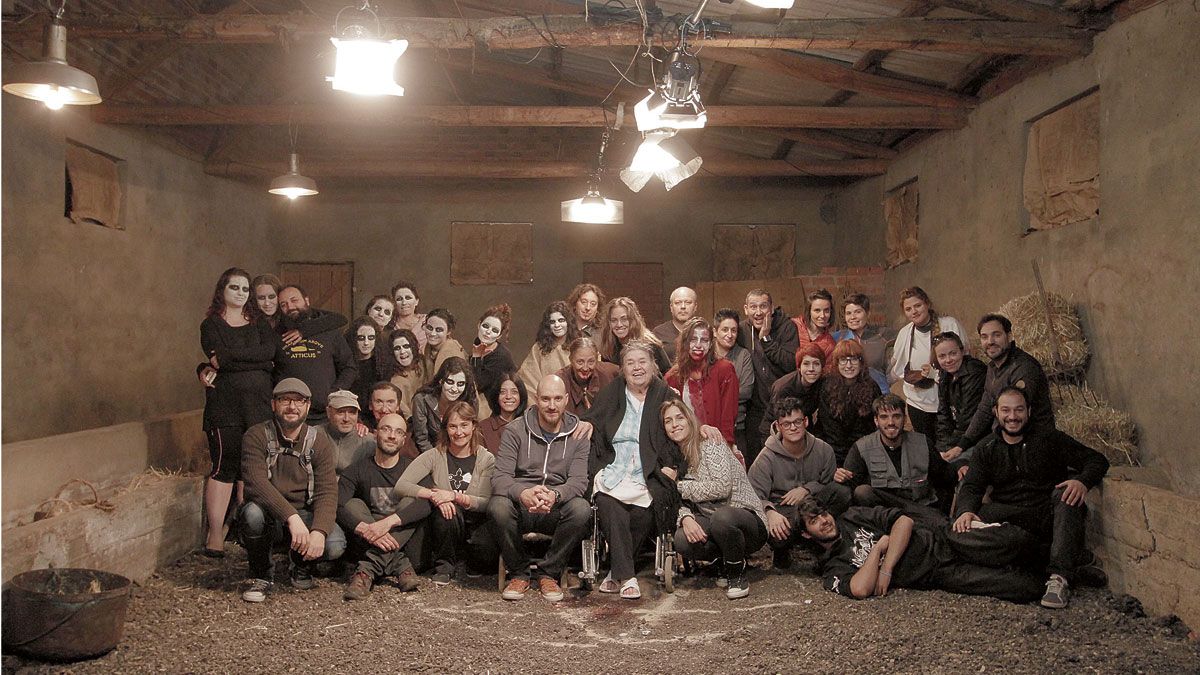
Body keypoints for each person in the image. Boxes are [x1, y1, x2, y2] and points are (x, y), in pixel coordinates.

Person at [952, 387, 1109, 609]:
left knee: (1067, 495)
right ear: (996, 412)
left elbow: (1096, 460)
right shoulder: (986, 448)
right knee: (975, 519)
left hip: (1047, 515)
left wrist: (1082, 481)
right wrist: (966, 511)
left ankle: (1059, 579)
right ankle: (1068, 560)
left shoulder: (1050, 438)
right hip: (1010, 519)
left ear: (1029, 411)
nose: (1012, 417)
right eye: (1006, 410)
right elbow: (972, 487)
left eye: (1019, 410)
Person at [583, 340, 684, 600]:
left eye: (642, 362)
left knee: (645, 512)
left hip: (647, 470)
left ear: (653, 365)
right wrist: (588, 426)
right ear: (622, 369)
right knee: (607, 503)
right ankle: (628, 577)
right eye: (630, 363)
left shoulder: (665, 394)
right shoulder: (612, 391)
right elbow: (593, 418)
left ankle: (616, 573)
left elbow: (679, 432)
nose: (637, 368)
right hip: (614, 467)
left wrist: (671, 466)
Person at [798, 497, 1043, 602]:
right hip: (935, 574)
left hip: (941, 540)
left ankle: (1060, 565)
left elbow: (904, 521)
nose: (824, 521)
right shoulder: (832, 567)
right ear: (807, 534)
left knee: (1014, 542)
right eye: (814, 520)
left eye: (823, 513)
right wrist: (878, 548)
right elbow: (860, 588)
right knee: (1024, 587)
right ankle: (1060, 577)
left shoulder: (853, 516)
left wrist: (887, 568)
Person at [238, 378, 347, 603]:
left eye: (299, 401)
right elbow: (256, 483)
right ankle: (261, 574)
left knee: (334, 544)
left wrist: (319, 531)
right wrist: (291, 517)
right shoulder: (256, 435)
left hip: (303, 511)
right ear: (273, 404)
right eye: (285, 400)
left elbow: (327, 491)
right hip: (269, 511)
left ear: (308, 406)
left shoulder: (318, 441)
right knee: (251, 515)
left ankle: (300, 564)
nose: (292, 406)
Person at [489, 374, 591, 603]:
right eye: (545, 399)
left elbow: (578, 481)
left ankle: (549, 573)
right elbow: (500, 478)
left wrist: (555, 495)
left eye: (557, 399)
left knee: (582, 509)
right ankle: (519, 572)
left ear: (566, 400)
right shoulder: (515, 430)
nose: (552, 406)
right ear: (536, 399)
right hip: (522, 505)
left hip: (555, 506)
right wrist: (523, 493)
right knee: (498, 506)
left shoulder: (578, 434)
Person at [198, 267, 275, 556]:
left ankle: (245, 528)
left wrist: (230, 358)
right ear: (222, 291)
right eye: (235, 288)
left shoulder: (259, 324)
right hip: (225, 407)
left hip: (257, 407)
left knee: (251, 468)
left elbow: (269, 353)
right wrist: (253, 362)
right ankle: (215, 533)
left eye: (245, 289)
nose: (241, 294)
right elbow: (219, 359)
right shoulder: (211, 325)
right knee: (224, 467)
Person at [664, 401, 767, 600]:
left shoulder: (710, 442)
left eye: (679, 418)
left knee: (722, 517)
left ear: (690, 420)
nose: (674, 424)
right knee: (682, 539)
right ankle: (722, 559)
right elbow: (676, 500)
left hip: (745, 519)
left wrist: (678, 484)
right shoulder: (674, 456)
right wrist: (686, 518)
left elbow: (721, 487)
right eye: (668, 421)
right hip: (711, 520)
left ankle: (736, 572)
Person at [395, 401, 498, 586]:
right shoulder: (435, 455)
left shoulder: (486, 459)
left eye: (464, 425)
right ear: (445, 428)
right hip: (447, 522)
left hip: (477, 522)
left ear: (474, 426)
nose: (459, 432)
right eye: (453, 426)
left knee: (483, 562)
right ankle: (445, 566)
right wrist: (434, 495)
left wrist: (454, 496)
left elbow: (485, 502)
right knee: (446, 512)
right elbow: (401, 485)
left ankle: (468, 559)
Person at [747, 396, 851, 570]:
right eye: (787, 424)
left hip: (816, 504)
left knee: (842, 492)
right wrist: (769, 512)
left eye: (797, 421)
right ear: (778, 426)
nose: (793, 427)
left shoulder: (824, 450)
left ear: (806, 421)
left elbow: (828, 483)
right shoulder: (766, 458)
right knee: (779, 532)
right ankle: (782, 553)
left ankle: (830, 547)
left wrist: (806, 489)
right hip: (784, 510)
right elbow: (753, 495)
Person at [338, 412, 429, 599]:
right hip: (368, 539)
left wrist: (388, 524)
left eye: (398, 432)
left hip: (407, 543)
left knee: (412, 500)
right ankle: (400, 565)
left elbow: (428, 503)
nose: (391, 435)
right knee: (352, 503)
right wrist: (366, 529)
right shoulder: (357, 469)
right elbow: (336, 505)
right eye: (386, 429)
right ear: (376, 433)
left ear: (404, 439)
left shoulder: (414, 469)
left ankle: (367, 570)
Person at [952, 314, 1056, 458]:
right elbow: (985, 409)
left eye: (996, 335)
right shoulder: (993, 367)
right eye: (984, 337)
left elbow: (1013, 418)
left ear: (1009, 336)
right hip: (1003, 440)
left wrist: (982, 450)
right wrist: (962, 444)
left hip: (1029, 445)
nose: (990, 341)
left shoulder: (1024, 368)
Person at [837, 394, 943, 522]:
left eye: (896, 416)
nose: (891, 422)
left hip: (920, 508)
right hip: (884, 515)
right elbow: (850, 486)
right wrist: (840, 476)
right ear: (876, 421)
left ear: (905, 418)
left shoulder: (923, 443)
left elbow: (944, 478)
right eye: (884, 417)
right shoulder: (861, 448)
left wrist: (960, 466)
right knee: (862, 492)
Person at [887, 286, 966, 452]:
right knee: (927, 449)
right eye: (908, 309)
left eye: (918, 306)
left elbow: (964, 359)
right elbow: (897, 367)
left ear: (927, 303)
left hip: (947, 399)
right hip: (918, 403)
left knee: (949, 447)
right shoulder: (905, 333)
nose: (914, 312)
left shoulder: (948, 325)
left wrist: (935, 374)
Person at [275, 284, 357, 423]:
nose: (290, 307)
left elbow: (349, 368)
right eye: (283, 304)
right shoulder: (277, 335)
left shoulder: (329, 332)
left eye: (294, 300)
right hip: (290, 415)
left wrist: (334, 393)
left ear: (307, 301)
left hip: (325, 415)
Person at [737, 289, 799, 468]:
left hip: (782, 403)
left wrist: (766, 338)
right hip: (754, 406)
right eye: (753, 307)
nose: (758, 312)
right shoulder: (741, 330)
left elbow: (789, 363)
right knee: (756, 459)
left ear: (771, 308)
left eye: (763, 306)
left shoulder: (787, 327)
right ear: (746, 309)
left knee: (784, 459)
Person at [664, 317, 739, 450]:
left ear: (710, 344)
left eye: (704, 340)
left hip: (717, 445)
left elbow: (728, 415)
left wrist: (727, 446)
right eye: (693, 339)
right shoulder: (673, 376)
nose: (698, 345)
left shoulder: (724, 370)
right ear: (685, 343)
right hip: (684, 448)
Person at [813, 340, 878, 466]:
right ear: (836, 363)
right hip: (831, 452)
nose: (848, 365)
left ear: (861, 362)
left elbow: (869, 427)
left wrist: (854, 457)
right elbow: (828, 427)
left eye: (853, 359)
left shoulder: (872, 387)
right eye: (843, 360)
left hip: (862, 452)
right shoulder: (827, 385)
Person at [931, 332, 986, 466]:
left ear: (962, 351)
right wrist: (941, 448)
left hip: (977, 436)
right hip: (958, 436)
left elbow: (968, 417)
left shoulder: (974, 372)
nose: (948, 360)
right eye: (942, 356)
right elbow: (943, 415)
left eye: (953, 353)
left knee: (954, 466)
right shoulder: (945, 374)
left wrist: (952, 447)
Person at [411, 357, 477, 453]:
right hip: (431, 452)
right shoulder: (422, 400)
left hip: (461, 451)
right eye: (450, 382)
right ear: (441, 381)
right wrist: (437, 462)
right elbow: (422, 439)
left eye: (460, 384)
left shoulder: (470, 401)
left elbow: (471, 436)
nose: (454, 389)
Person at [713, 308, 754, 457]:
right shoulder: (707, 355)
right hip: (710, 428)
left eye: (734, 330)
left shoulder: (743, 356)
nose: (729, 335)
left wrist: (715, 395)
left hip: (738, 427)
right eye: (725, 330)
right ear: (715, 331)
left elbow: (746, 391)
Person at [598, 297, 672, 375]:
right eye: (614, 320)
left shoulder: (651, 346)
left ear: (633, 320)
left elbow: (668, 375)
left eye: (624, 319)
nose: (619, 324)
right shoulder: (608, 348)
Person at [517, 300, 577, 397]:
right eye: (552, 322)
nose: (557, 325)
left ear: (568, 322)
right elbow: (528, 379)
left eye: (561, 320)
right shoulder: (539, 348)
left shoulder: (578, 346)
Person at [832, 292, 896, 380]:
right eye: (848, 313)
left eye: (857, 312)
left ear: (868, 313)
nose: (853, 317)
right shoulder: (837, 338)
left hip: (880, 389)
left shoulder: (883, 334)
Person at [469, 304, 516, 420]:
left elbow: (477, 384)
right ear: (479, 324)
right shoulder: (479, 343)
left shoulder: (501, 356)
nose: (488, 332)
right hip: (478, 402)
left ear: (499, 336)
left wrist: (476, 357)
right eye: (485, 326)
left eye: (494, 330)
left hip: (496, 411)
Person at [768, 344, 825, 433]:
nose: (811, 369)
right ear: (799, 367)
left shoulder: (822, 384)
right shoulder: (783, 388)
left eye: (816, 364)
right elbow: (774, 420)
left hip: (804, 429)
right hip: (777, 431)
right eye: (806, 364)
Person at [557, 336, 619, 415]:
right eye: (580, 362)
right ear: (571, 359)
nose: (585, 368)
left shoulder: (609, 372)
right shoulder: (560, 380)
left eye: (591, 362)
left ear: (596, 360)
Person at [318, 390, 375, 475]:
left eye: (352, 412)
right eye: (340, 412)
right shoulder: (314, 436)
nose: (346, 419)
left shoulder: (369, 442)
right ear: (328, 412)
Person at [478, 372, 527, 453]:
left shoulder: (529, 426)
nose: (508, 396)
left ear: (521, 396)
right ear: (496, 396)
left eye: (514, 392)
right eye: (503, 392)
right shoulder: (483, 428)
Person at [381, 329, 423, 418]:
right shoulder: (395, 381)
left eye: (406, 346)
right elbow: (407, 414)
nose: (402, 352)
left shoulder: (424, 364)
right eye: (397, 348)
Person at [652, 286, 699, 361]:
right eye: (678, 303)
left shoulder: (704, 331)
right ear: (671, 307)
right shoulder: (658, 333)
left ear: (695, 306)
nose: (683, 307)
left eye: (688, 302)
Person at [344, 317, 381, 410]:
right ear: (353, 339)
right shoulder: (345, 364)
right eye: (361, 338)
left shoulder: (382, 363)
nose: (366, 343)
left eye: (371, 338)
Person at [421, 308, 467, 381]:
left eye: (439, 330)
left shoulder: (451, 352)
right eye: (429, 328)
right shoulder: (428, 347)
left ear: (448, 331)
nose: (432, 333)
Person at [792, 288, 836, 363]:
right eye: (817, 310)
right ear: (809, 311)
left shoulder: (830, 345)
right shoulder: (794, 325)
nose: (822, 315)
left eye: (826, 310)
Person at [390, 281, 427, 352]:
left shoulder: (427, 320)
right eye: (399, 299)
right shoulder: (390, 326)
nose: (404, 303)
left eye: (408, 298)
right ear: (394, 304)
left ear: (416, 301)